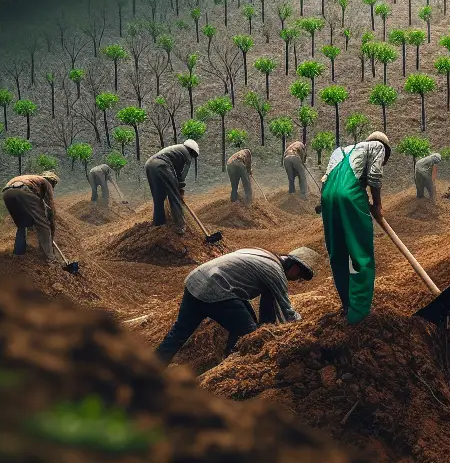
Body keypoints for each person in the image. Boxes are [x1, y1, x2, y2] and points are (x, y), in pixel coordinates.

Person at [155, 246, 318, 363]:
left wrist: (266, 327)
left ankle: (151, 371)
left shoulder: (262, 254)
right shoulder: (275, 271)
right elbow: (286, 310)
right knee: (248, 335)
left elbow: (268, 305)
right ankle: (230, 365)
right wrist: (304, 328)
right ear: (296, 267)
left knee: (179, 332)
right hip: (218, 289)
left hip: (196, 281)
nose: (298, 280)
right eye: (301, 276)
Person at [319, 130, 391, 324]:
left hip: (327, 197)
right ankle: (359, 313)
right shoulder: (377, 146)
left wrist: (326, 201)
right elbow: (375, 175)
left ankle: (347, 305)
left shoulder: (339, 151)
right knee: (361, 255)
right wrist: (377, 204)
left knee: (338, 254)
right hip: (351, 196)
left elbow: (325, 179)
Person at [1, 170, 75, 271]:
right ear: (52, 181)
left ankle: (19, 252)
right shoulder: (46, 183)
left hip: (7, 193)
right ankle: (50, 258)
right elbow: (51, 211)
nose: (53, 187)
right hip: (23, 190)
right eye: (54, 184)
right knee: (43, 225)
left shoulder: (33, 180)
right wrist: (50, 230)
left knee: (22, 224)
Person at [146, 139, 199, 234]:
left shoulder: (177, 150)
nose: (192, 158)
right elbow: (182, 176)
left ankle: (159, 223)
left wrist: (179, 187)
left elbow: (177, 172)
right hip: (161, 165)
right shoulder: (187, 155)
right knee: (174, 196)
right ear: (192, 151)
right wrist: (180, 190)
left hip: (149, 165)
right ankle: (180, 227)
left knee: (159, 197)